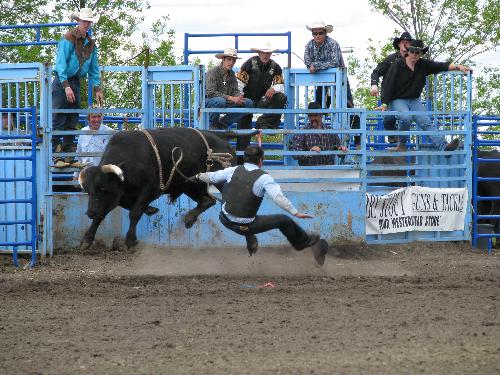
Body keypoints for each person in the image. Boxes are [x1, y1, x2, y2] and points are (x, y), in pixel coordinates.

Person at [188, 145, 329, 265]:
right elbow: (277, 197)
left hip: (224, 219)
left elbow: (211, 176)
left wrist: (196, 177)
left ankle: (250, 236)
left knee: (226, 184)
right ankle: (306, 243)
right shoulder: (264, 178)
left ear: (244, 159)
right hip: (246, 225)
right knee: (284, 220)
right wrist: (295, 212)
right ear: (261, 161)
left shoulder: (232, 170)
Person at [378, 39, 471, 152]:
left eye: (418, 52)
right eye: (412, 51)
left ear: (421, 53)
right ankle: (401, 144)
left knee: (426, 122)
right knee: (406, 117)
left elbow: (442, 65)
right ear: (408, 51)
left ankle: (444, 147)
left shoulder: (423, 65)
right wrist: (384, 103)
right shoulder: (397, 64)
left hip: (414, 100)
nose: (414, 54)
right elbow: (388, 83)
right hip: (398, 99)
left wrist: (459, 67)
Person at [52, 8, 103, 168]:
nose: (87, 24)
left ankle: (68, 156)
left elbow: (94, 69)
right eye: (84, 21)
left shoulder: (91, 44)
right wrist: (66, 86)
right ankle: (56, 155)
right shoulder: (68, 38)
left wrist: (97, 88)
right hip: (63, 81)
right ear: (79, 21)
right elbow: (60, 64)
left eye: (89, 22)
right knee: (59, 117)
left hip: (75, 81)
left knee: (72, 118)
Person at [370, 31, 414, 144]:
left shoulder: (414, 60)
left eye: (408, 42)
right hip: (390, 96)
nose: (406, 44)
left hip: (407, 97)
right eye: (403, 42)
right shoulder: (391, 59)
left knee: (413, 118)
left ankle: (402, 141)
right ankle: (393, 137)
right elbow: (376, 72)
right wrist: (374, 84)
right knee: (389, 118)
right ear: (399, 44)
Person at [205, 48, 253, 130]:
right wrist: (231, 98)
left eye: (234, 60)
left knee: (248, 103)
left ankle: (223, 123)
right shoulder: (213, 71)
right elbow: (210, 93)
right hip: (210, 100)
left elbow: (235, 91)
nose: (231, 63)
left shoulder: (232, 74)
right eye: (229, 59)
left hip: (225, 101)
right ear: (223, 59)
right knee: (220, 101)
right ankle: (213, 124)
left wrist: (238, 97)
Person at [67, 109, 112, 173]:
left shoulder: (109, 132)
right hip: (86, 173)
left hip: (103, 174)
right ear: (88, 119)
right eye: (94, 117)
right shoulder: (83, 132)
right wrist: (75, 176)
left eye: (99, 116)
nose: (96, 120)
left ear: (102, 118)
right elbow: (79, 156)